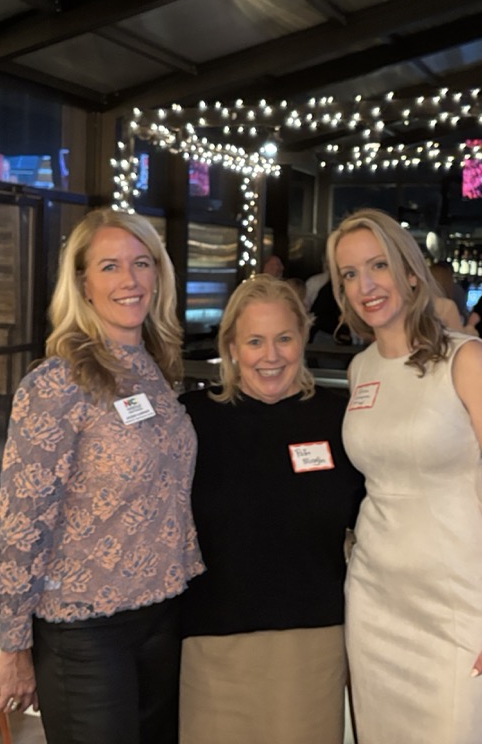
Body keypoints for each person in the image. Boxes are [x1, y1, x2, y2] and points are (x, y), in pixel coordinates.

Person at [0, 209, 203, 744]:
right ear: (83, 284)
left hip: (161, 612)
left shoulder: (154, 369)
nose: (130, 280)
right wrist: (12, 643)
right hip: (83, 627)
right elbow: (20, 521)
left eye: (141, 263)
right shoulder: (56, 382)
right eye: (110, 266)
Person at [328, 209, 482, 744]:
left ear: (411, 272)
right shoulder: (360, 369)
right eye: (350, 273)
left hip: (461, 600)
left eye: (378, 265)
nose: (366, 285)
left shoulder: (469, 360)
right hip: (375, 599)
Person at [178, 276, 363, 744]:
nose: (271, 355)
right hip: (210, 640)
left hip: (312, 641)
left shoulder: (341, 419)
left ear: (303, 338)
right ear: (231, 347)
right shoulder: (191, 420)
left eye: (284, 338)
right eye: (255, 341)